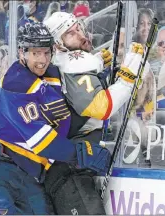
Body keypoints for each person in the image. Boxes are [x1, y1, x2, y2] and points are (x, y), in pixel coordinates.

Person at [0, 22, 111, 215]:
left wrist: (97, 75)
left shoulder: (52, 75)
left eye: (46, 53)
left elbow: (64, 121)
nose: (42, 60)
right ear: (22, 52)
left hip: (32, 175)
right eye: (35, 53)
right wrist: (81, 153)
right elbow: (43, 142)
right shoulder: (15, 84)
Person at [44, 12, 149, 214]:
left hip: (73, 165)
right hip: (69, 171)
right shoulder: (73, 67)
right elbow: (101, 108)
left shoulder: (70, 65)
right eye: (71, 33)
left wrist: (99, 62)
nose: (81, 35)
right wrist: (126, 81)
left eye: (79, 28)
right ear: (58, 44)